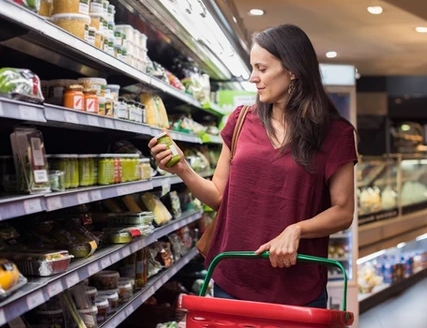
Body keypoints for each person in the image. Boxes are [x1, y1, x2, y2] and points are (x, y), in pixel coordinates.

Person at [149, 24, 357, 308]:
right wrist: (183, 168)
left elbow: (343, 212)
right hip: (234, 278)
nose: (252, 78)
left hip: (299, 287)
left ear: (293, 70)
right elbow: (219, 197)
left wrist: (296, 230)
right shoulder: (241, 120)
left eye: (262, 68)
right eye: (252, 67)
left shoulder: (336, 133)